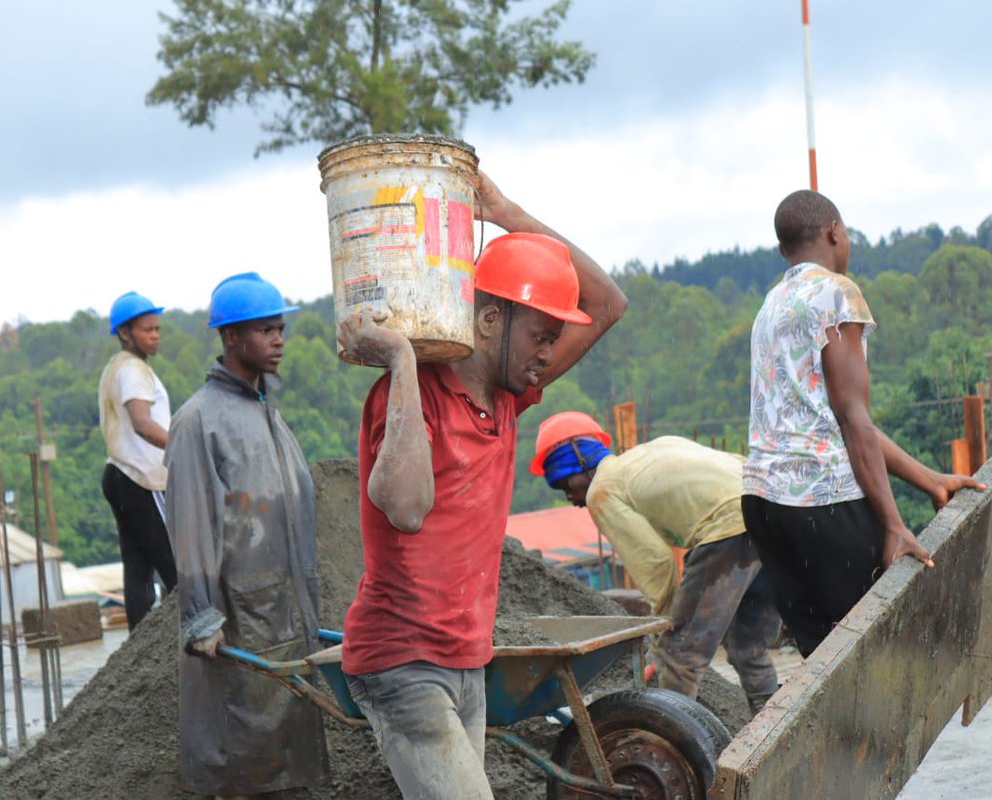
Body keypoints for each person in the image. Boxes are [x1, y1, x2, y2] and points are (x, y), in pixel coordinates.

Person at [337, 171, 627, 799]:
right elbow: (407, 507)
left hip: (468, 660)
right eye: (540, 336)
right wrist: (403, 358)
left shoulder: (506, 399)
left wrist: (506, 211)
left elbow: (607, 304)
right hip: (403, 662)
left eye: (553, 338)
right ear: (490, 320)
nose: (549, 353)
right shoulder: (406, 395)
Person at [741, 190, 984, 658]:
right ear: (835, 232)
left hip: (764, 504)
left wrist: (929, 480)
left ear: (783, 249)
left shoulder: (772, 305)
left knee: (826, 658)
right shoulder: (836, 292)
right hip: (820, 503)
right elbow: (853, 417)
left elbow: (836, 422)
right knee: (879, 654)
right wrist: (893, 525)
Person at [164, 273, 329, 798]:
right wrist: (200, 616)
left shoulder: (268, 417)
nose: (279, 340)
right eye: (265, 331)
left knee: (287, 749)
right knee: (241, 758)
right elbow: (190, 526)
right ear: (231, 337)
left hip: (284, 613)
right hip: (236, 622)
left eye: (281, 329)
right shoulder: (199, 422)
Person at [531, 411, 781, 715]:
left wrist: (665, 626)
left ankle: (671, 745)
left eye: (564, 486)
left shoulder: (603, 490)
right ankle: (773, 725)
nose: (570, 498)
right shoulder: (646, 456)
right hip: (769, 511)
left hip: (727, 526)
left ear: (578, 468)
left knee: (681, 655)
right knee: (749, 648)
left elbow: (656, 562)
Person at [98, 290, 178, 631]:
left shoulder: (118, 367)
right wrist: (183, 447)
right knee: (174, 566)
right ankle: (186, 636)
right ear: (125, 333)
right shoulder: (132, 370)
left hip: (119, 475)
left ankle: (140, 640)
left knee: (138, 567)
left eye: (157, 328)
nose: (155, 335)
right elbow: (142, 423)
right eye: (147, 329)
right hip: (140, 479)